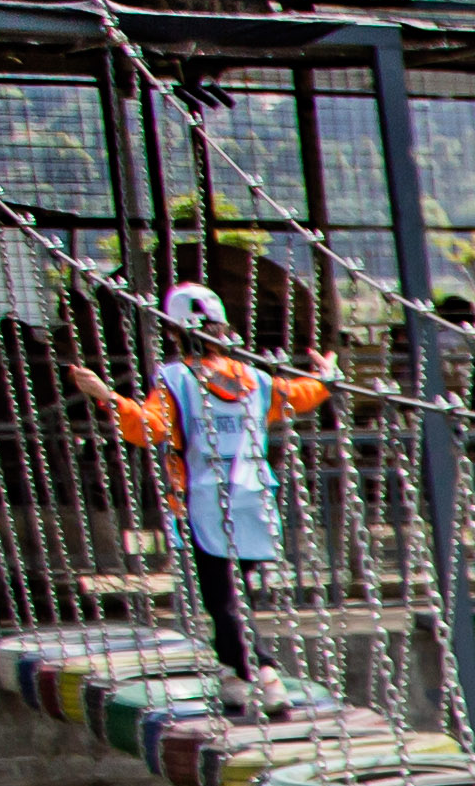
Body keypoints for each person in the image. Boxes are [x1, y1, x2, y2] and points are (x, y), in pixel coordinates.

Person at [101, 280, 334, 709]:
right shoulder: (254, 379)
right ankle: (232, 673)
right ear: (223, 328)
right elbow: (298, 397)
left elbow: (149, 428)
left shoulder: (176, 380)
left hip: (206, 502)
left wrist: (108, 399)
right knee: (236, 590)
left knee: (221, 596)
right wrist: (327, 377)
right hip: (255, 498)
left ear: (173, 333)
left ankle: (261, 671)